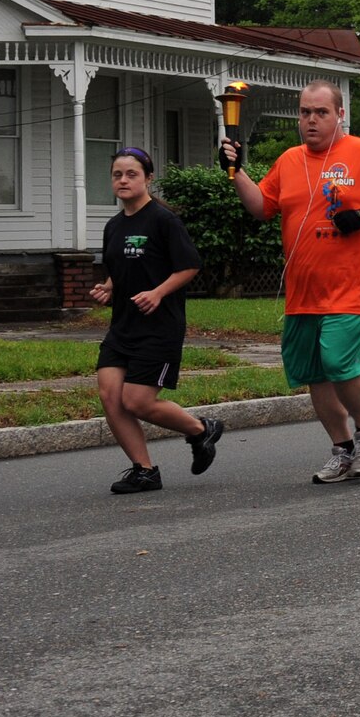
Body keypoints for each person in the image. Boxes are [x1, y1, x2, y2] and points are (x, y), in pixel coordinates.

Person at [222, 81, 360, 484]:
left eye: (321, 112)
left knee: (338, 361)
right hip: (304, 290)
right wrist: (237, 173)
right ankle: (343, 448)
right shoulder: (290, 160)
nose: (311, 120)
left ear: (339, 114)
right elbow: (262, 207)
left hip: (355, 285)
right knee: (315, 373)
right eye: (305, 112)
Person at [90, 147, 223, 493]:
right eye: (117, 174)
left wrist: (158, 292)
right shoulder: (114, 226)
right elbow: (122, 269)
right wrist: (107, 287)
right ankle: (144, 470)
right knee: (110, 395)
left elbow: (189, 265)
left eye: (131, 174)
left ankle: (200, 429)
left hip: (159, 328)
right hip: (123, 327)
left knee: (137, 401)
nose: (123, 180)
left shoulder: (163, 221)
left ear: (148, 178)